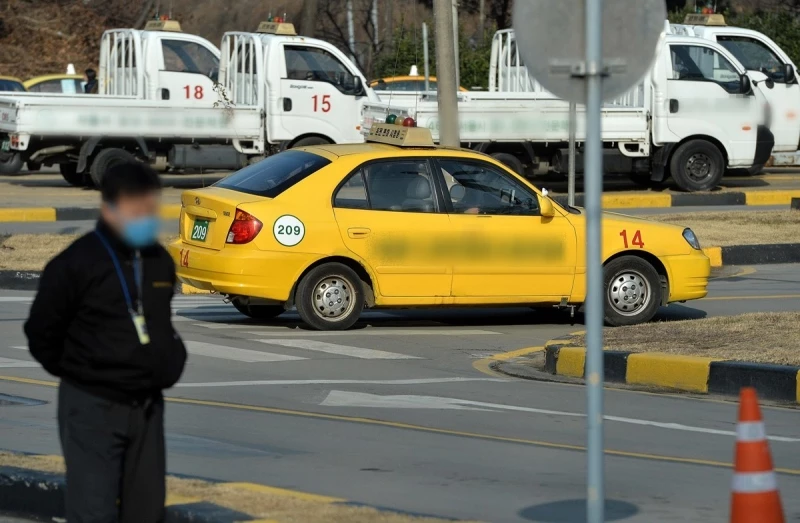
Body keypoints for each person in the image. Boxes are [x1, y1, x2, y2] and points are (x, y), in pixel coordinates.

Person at [25, 161, 187, 523]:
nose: (146, 217)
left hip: (146, 407)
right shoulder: (76, 263)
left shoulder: (158, 262)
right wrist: (83, 371)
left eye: (150, 208)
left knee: (146, 511)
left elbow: (159, 323)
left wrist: (170, 360)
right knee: (93, 511)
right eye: (136, 209)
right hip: (92, 405)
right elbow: (41, 332)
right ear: (109, 208)